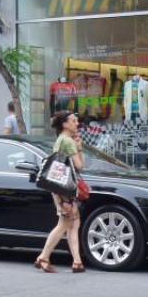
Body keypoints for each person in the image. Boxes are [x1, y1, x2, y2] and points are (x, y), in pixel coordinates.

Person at [34, 111, 86, 273]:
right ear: (64, 124)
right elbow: (79, 165)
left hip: (60, 187)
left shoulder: (61, 139)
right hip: (64, 190)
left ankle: (77, 262)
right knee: (64, 224)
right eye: (73, 120)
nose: (76, 123)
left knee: (73, 223)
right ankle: (43, 257)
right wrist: (79, 148)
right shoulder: (68, 141)